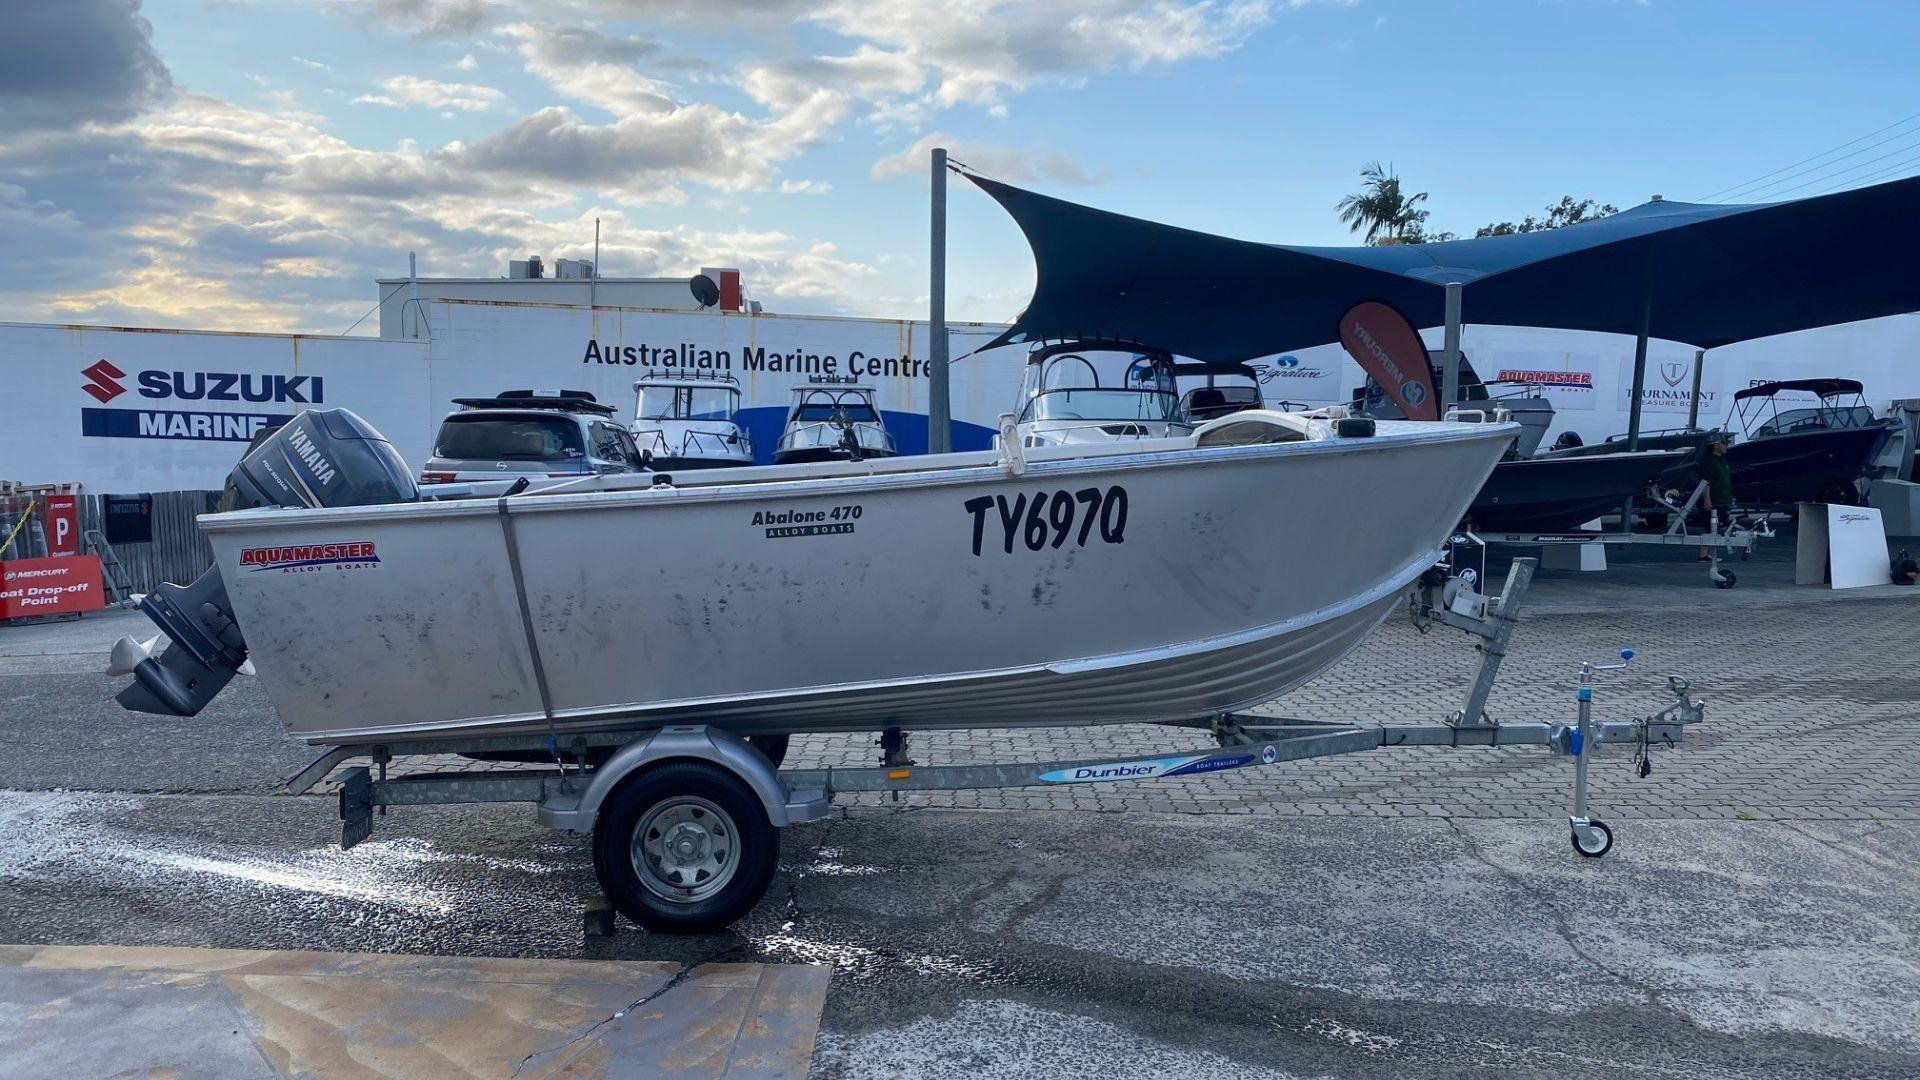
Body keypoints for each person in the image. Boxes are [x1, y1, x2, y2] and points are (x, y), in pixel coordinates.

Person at [1696, 434, 1734, 560]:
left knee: (1713, 528)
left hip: (1722, 501)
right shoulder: (1709, 461)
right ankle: (1704, 554)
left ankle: (1706, 554)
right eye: (1724, 443)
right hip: (1714, 501)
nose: (1726, 446)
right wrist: (1707, 500)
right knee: (1712, 527)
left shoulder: (1721, 460)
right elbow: (1705, 482)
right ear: (1716, 445)